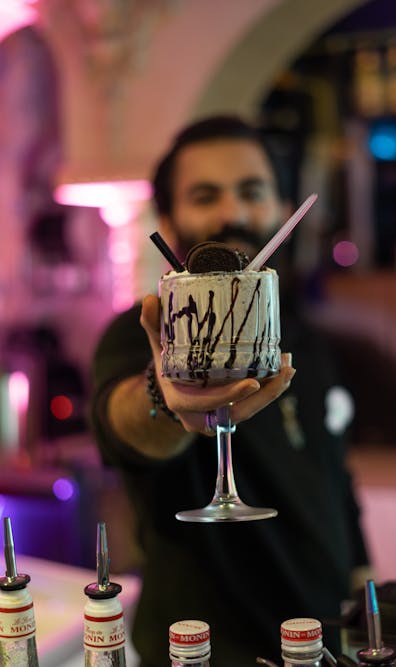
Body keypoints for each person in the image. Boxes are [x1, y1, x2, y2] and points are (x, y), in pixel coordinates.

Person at [90, 115, 371, 667]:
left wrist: (364, 585)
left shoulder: (303, 336)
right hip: (203, 651)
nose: (232, 214)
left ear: (280, 206)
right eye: (205, 195)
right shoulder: (136, 332)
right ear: (168, 219)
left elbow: (334, 476)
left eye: (251, 192)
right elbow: (121, 425)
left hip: (319, 646)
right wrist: (163, 396)